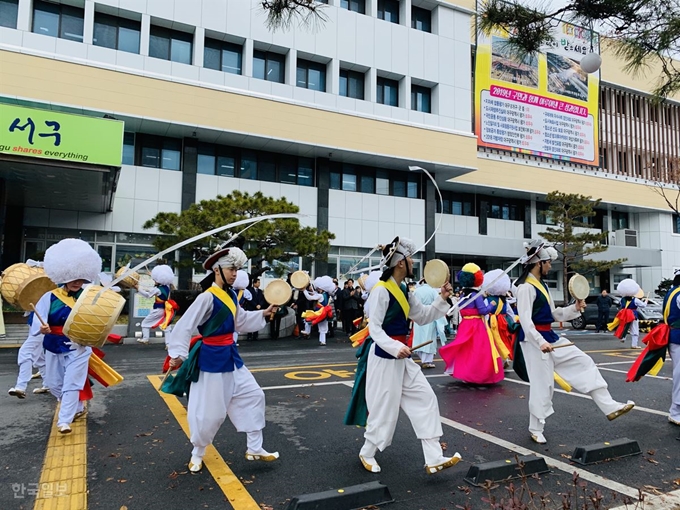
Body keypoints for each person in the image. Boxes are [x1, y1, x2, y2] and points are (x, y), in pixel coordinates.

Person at [352, 237, 461, 475]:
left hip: (402, 358)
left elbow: (422, 316)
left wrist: (442, 298)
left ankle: (433, 457)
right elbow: (375, 329)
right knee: (383, 409)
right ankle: (367, 452)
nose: (413, 262)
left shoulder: (403, 289)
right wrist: (394, 347)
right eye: (410, 258)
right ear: (400, 262)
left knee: (425, 398)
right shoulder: (381, 291)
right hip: (384, 357)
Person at [166, 246, 279, 473]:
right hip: (211, 359)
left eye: (237, 269)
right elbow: (185, 325)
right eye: (231, 269)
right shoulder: (207, 297)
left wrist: (264, 313)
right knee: (209, 412)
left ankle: (255, 447)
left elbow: (240, 321)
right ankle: (197, 453)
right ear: (217, 270)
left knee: (254, 395)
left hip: (231, 356)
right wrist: (177, 355)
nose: (235, 273)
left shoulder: (229, 296)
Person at [514, 240, 634, 444]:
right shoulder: (525, 288)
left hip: (549, 337)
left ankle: (609, 406)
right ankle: (536, 428)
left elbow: (553, 314)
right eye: (549, 262)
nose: (551, 266)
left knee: (584, 362)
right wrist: (540, 342)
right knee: (543, 385)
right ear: (538, 263)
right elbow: (525, 320)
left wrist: (574, 309)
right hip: (534, 341)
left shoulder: (540, 285)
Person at [32, 238, 102, 434]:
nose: (77, 282)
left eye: (81, 278)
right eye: (73, 278)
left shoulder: (89, 296)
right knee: (54, 384)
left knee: (72, 383)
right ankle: (77, 408)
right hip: (53, 345)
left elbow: (100, 318)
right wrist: (41, 328)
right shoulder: (49, 296)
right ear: (63, 275)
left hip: (79, 346)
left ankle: (64, 420)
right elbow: (38, 319)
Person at [439, 263, 504, 384]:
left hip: (465, 325)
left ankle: (465, 374)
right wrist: (491, 305)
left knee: (465, 351)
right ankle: (478, 375)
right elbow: (482, 311)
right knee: (479, 352)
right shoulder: (476, 295)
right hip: (477, 326)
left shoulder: (464, 295)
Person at [8, 313, 49, 398]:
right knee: (40, 358)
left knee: (25, 352)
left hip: (42, 325)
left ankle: (21, 386)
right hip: (37, 323)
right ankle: (48, 384)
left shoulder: (45, 299)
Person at [136, 264, 176, 344]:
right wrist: (152, 275)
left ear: (158, 279)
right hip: (166, 310)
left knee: (145, 323)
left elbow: (148, 295)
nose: (153, 281)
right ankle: (169, 344)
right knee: (166, 326)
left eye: (154, 279)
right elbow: (161, 278)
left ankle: (145, 339)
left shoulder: (157, 289)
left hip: (158, 310)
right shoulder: (167, 286)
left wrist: (138, 288)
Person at [412, 281, 448, 369]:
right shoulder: (432, 291)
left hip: (418, 314)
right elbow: (438, 302)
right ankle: (427, 361)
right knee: (429, 338)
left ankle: (421, 357)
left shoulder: (417, 291)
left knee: (419, 337)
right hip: (429, 314)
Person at [609, 279, 647, 349]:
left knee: (624, 326)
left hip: (624, 315)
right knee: (635, 330)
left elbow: (621, 305)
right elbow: (643, 305)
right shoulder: (635, 299)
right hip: (633, 315)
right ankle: (634, 344)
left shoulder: (622, 299)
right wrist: (646, 301)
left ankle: (623, 337)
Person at [302, 276, 335, 346]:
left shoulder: (320, 296)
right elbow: (314, 293)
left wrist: (304, 290)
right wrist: (310, 285)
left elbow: (309, 297)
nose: (317, 289)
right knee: (323, 327)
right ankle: (323, 341)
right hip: (325, 313)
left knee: (307, 318)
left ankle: (307, 331)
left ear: (321, 289)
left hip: (319, 313)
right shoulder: (326, 295)